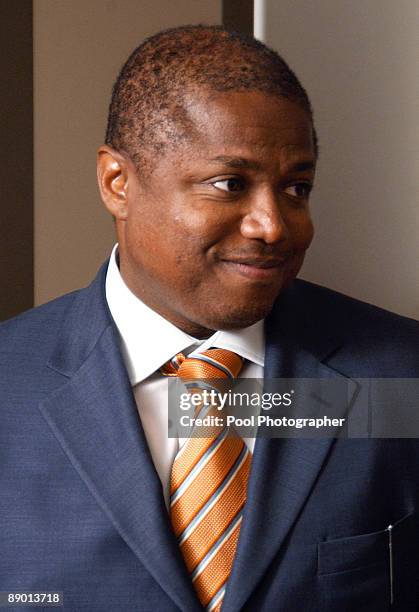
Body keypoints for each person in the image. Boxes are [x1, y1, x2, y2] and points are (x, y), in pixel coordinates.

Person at [1, 25, 418, 612]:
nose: (272, 226)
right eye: (230, 184)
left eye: (297, 188)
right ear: (117, 183)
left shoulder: (401, 377)